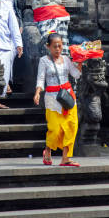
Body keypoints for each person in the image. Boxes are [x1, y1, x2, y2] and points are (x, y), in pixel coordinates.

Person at [34, 32, 81, 167]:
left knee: (71, 127)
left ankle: (65, 158)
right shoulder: (44, 60)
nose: (58, 50)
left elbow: (76, 75)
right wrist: (37, 93)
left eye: (60, 46)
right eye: (55, 47)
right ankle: (48, 150)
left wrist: (80, 62)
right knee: (54, 129)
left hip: (68, 97)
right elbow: (41, 78)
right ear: (48, 46)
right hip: (52, 99)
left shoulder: (66, 59)